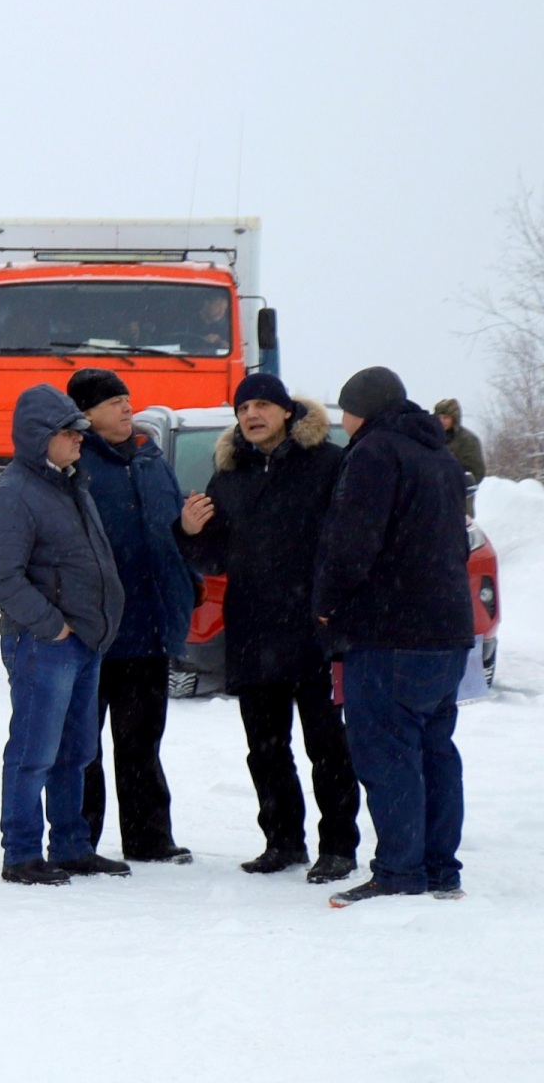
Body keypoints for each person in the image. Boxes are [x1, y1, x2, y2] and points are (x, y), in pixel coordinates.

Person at [176, 372, 360, 884]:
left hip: (314, 629)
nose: (250, 415)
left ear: (286, 412)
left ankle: (339, 847)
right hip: (255, 629)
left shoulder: (326, 463)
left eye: (260, 405)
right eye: (241, 409)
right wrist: (189, 530)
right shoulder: (228, 473)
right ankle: (282, 842)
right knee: (266, 748)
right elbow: (212, 557)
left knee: (328, 747)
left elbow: (349, 541)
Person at [313, 367, 474, 907]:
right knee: (434, 749)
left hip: (389, 631)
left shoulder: (375, 452)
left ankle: (400, 872)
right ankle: (439, 869)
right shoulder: (441, 457)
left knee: (387, 752)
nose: (343, 422)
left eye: (345, 411)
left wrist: (327, 604)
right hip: (448, 631)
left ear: (362, 408)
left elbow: (351, 543)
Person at [0, 383, 130, 886]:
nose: (80, 440)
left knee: (76, 751)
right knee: (33, 752)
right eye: (71, 433)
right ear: (42, 437)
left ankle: (71, 845)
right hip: (44, 644)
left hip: (84, 642)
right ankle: (20, 853)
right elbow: (0, 577)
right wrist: (54, 627)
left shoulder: (70, 484)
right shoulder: (13, 494)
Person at [65, 368, 196, 865]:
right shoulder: (77, 465)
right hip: (92, 633)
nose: (126, 407)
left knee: (142, 743)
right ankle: (81, 841)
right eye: (114, 401)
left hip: (148, 628)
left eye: (127, 398)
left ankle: (149, 840)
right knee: (83, 749)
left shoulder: (151, 460)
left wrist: (188, 571)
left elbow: (171, 534)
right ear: (86, 413)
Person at [432, 398, 486, 515]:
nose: (442, 421)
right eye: (439, 417)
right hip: (433, 502)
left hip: (459, 503)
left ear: (454, 418)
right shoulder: (430, 438)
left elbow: (476, 472)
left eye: (445, 417)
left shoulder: (468, 440)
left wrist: (456, 481)